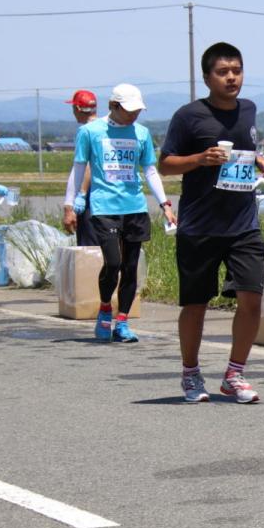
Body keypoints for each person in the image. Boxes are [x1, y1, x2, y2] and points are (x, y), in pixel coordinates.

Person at [159, 42, 264, 404]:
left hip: (243, 224)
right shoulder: (189, 116)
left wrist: (260, 161)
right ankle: (191, 374)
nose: (232, 78)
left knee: (252, 299)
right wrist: (199, 158)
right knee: (196, 304)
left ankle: (234, 374)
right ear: (207, 77)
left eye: (237, 70)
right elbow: (165, 164)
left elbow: (246, 148)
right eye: (223, 72)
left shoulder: (249, 110)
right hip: (199, 226)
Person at [63, 85, 176, 342]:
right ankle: (105, 309)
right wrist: (71, 202)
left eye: (137, 110)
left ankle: (122, 321)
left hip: (134, 207)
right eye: (129, 110)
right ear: (113, 106)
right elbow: (79, 167)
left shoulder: (142, 133)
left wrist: (165, 204)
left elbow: (149, 170)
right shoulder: (90, 132)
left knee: (130, 266)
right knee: (113, 262)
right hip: (104, 207)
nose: (134, 115)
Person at [63, 90, 100, 246]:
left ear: (77, 109)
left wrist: (69, 205)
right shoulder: (106, 128)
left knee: (90, 249)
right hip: (109, 202)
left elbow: (81, 169)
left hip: (90, 199)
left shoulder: (85, 131)